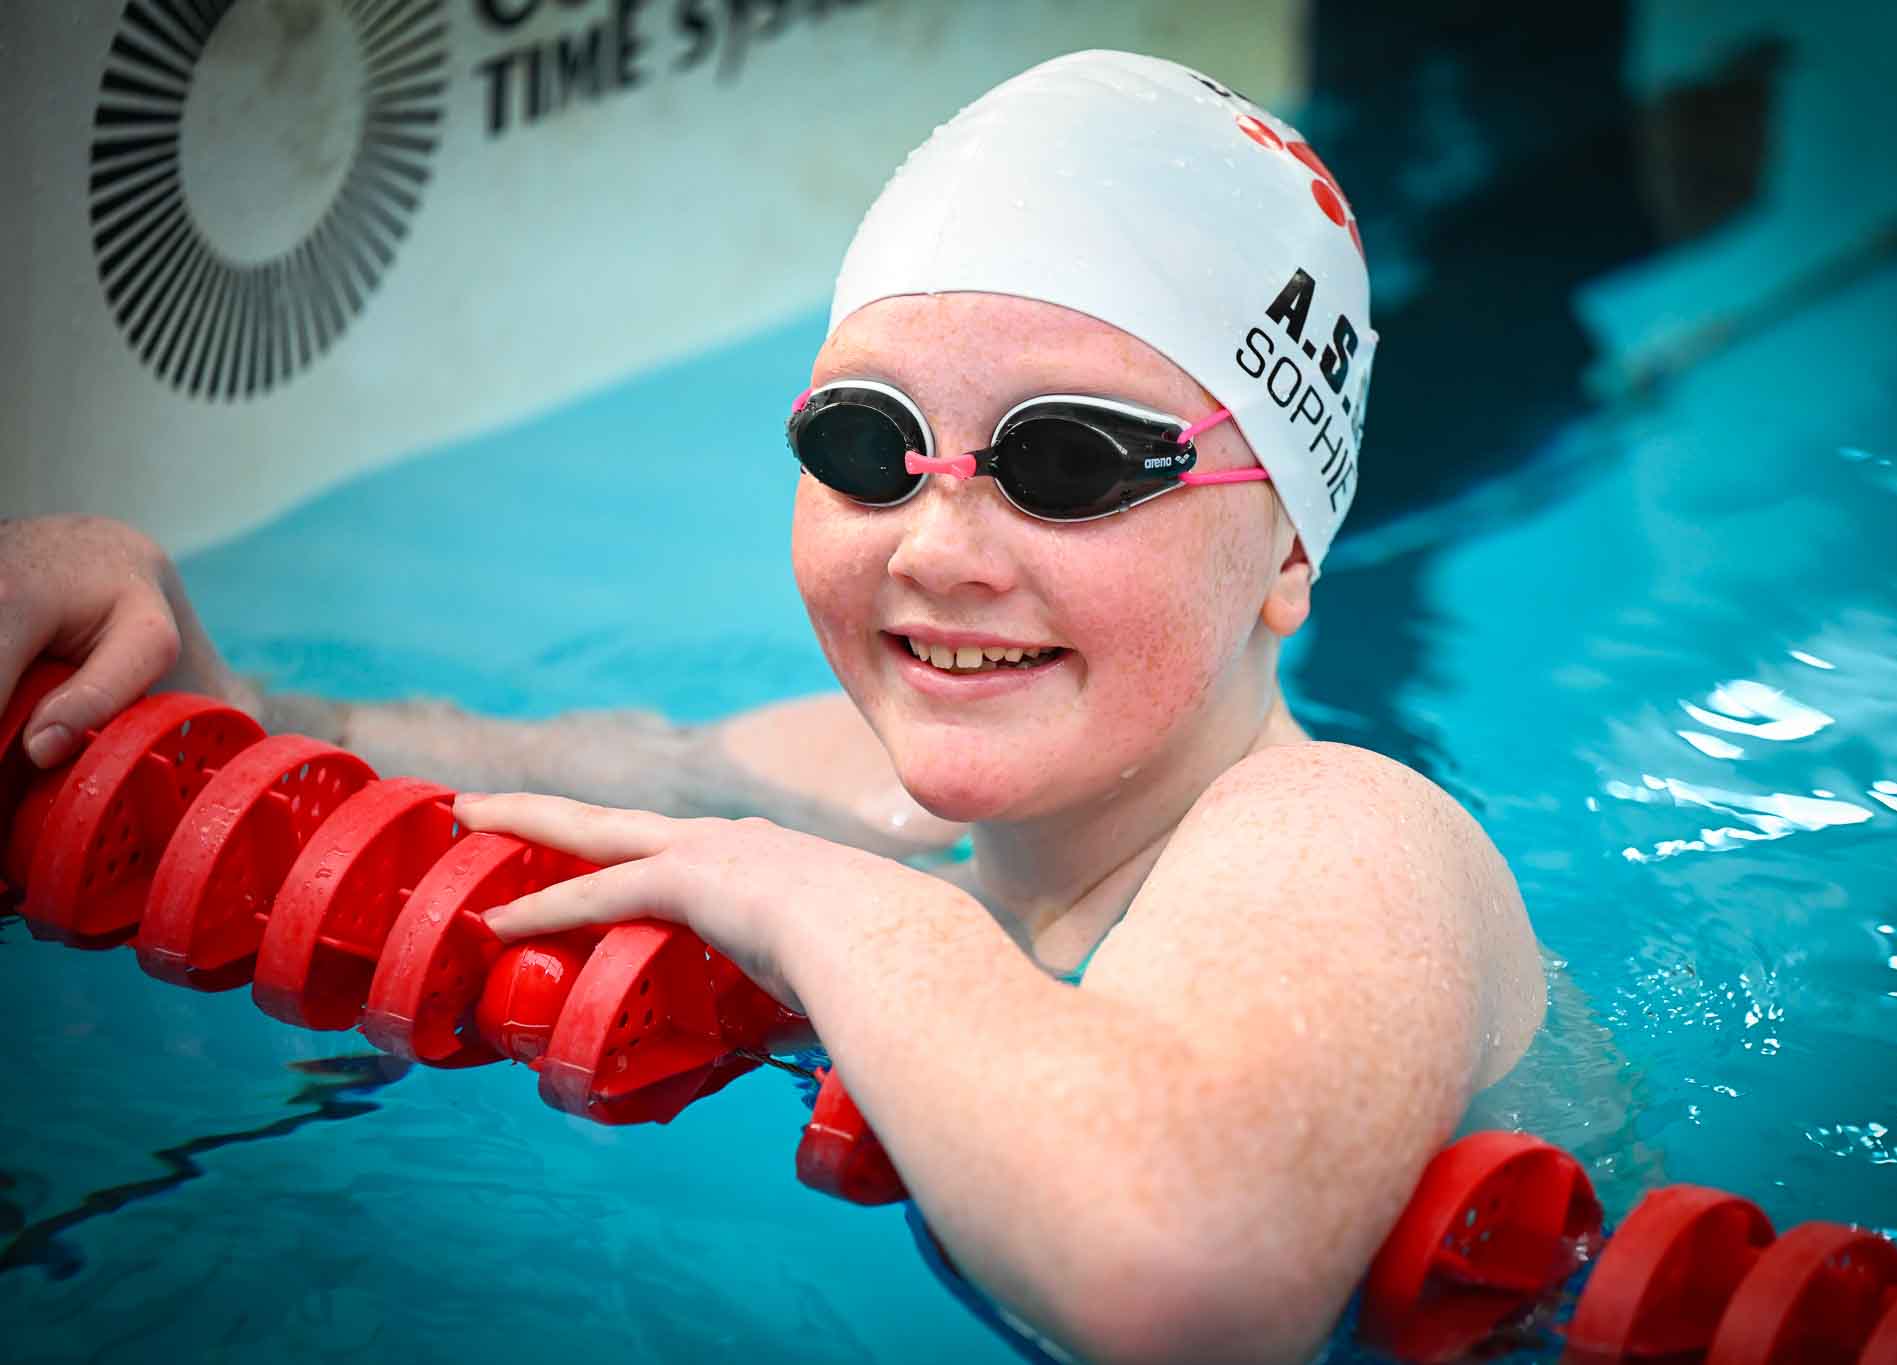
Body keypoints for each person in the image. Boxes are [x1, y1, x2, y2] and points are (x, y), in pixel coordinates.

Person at [0, 51, 1543, 1365]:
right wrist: (182, 673)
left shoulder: (1352, 834)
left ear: (1289, 552)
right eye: (869, 445)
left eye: (1067, 461)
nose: (935, 551)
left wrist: (839, 912)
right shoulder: (837, 779)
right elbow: (421, 784)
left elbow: (1187, 1280)